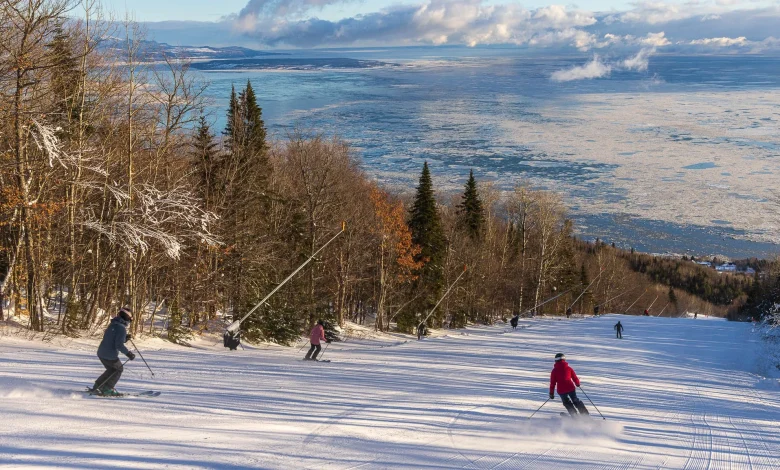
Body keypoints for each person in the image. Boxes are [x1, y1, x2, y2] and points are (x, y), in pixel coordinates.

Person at [92, 308, 135, 396]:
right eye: (130, 319)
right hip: (110, 354)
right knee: (118, 369)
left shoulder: (113, 324)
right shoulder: (121, 328)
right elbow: (118, 345)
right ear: (126, 317)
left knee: (111, 370)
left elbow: (112, 338)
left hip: (101, 352)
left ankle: (98, 386)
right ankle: (108, 388)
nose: (130, 321)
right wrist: (128, 353)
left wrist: (124, 338)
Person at [549, 353, 589, 417]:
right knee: (575, 400)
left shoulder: (554, 371)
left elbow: (552, 383)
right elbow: (574, 377)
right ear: (564, 359)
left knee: (567, 403)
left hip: (561, 390)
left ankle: (574, 415)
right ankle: (585, 414)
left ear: (556, 360)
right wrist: (577, 383)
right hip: (570, 387)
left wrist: (551, 393)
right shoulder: (568, 368)